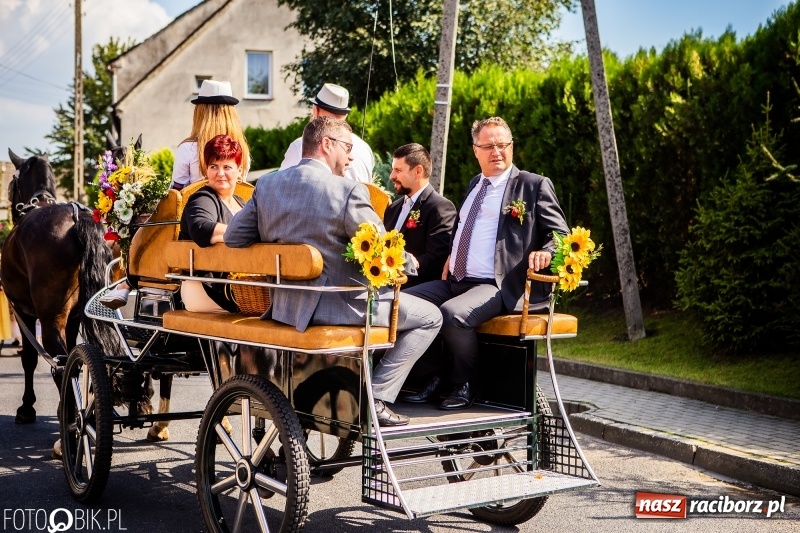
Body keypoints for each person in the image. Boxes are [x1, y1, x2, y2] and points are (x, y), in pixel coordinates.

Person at [225, 117, 442, 427]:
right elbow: (382, 248)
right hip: (340, 306)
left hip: (285, 307)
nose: (350, 157)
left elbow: (234, 238)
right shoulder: (348, 190)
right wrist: (411, 262)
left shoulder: (268, 185)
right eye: (347, 147)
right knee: (432, 317)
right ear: (326, 144)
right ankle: (376, 397)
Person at [403, 117, 569, 410]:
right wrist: (452, 256)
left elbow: (561, 236)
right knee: (398, 302)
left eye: (503, 144)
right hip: (455, 281)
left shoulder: (533, 185)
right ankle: (433, 376)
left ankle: (467, 381)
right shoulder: (474, 184)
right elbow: (465, 228)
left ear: (511, 146)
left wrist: (546, 250)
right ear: (475, 150)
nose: (497, 152)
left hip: (496, 284)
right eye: (489, 146)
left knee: (452, 314)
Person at [101, 80, 250, 309]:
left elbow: (176, 193)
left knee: (146, 226)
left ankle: (127, 282)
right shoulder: (240, 150)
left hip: (192, 224)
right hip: (231, 212)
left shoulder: (190, 148)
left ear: (200, 111)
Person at [178, 134, 246, 313]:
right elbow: (201, 228)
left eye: (227, 167)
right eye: (214, 166)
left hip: (238, 287)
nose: (220, 173)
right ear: (206, 170)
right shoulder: (203, 198)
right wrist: (247, 234)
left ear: (239, 170)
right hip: (206, 288)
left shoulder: (242, 203)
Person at [383, 143, 456, 288]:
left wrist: (404, 265)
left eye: (398, 170)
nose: (392, 176)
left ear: (418, 171)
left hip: (414, 288)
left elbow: (436, 260)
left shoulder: (440, 207)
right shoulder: (393, 208)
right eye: (393, 170)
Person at [279, 83, 374, 183]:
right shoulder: (364, 148)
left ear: (315, 110)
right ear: (345, 115)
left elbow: (281, 185)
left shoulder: (301, 145)